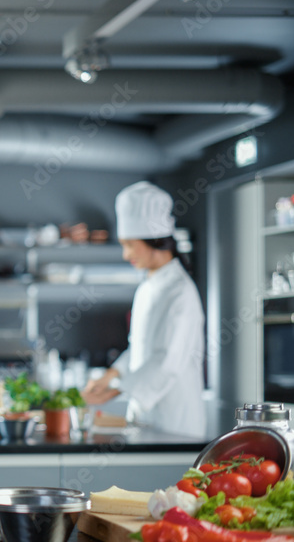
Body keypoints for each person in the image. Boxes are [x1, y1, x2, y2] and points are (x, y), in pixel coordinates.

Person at [81, 181, 206, 439]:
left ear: (156, 240)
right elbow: (140, 349)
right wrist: (110, 375)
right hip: (147, 417)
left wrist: (114, 390)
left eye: (129, 244)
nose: (126, 254)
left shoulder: (180, 291)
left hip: (176, 422)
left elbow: (167, 360)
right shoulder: (149, 285)